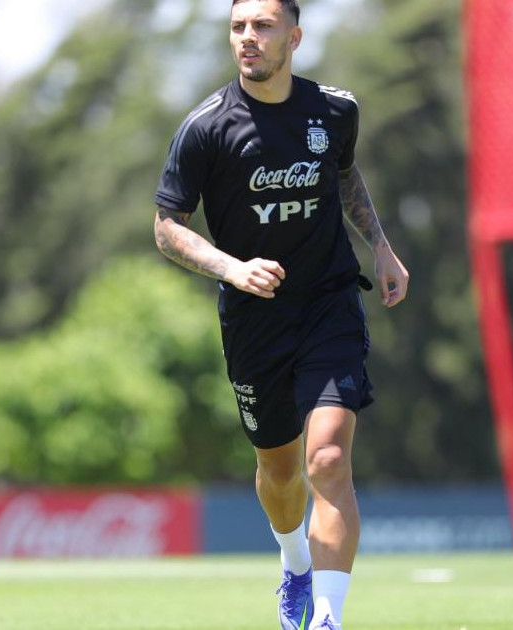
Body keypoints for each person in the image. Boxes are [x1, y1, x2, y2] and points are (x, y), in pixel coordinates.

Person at [153, 1, 408, 628]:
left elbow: (344, 175)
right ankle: (294, 564)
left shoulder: (335, 110)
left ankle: (327, 617)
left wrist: (380, 246)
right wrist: (232, 268)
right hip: (253, 319)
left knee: (327, 459)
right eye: (238, 27)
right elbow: (166, 227)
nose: (248, 38)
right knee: (279, 467)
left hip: (329, 304)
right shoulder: (206, 128)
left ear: (293, 36)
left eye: (262, 26)